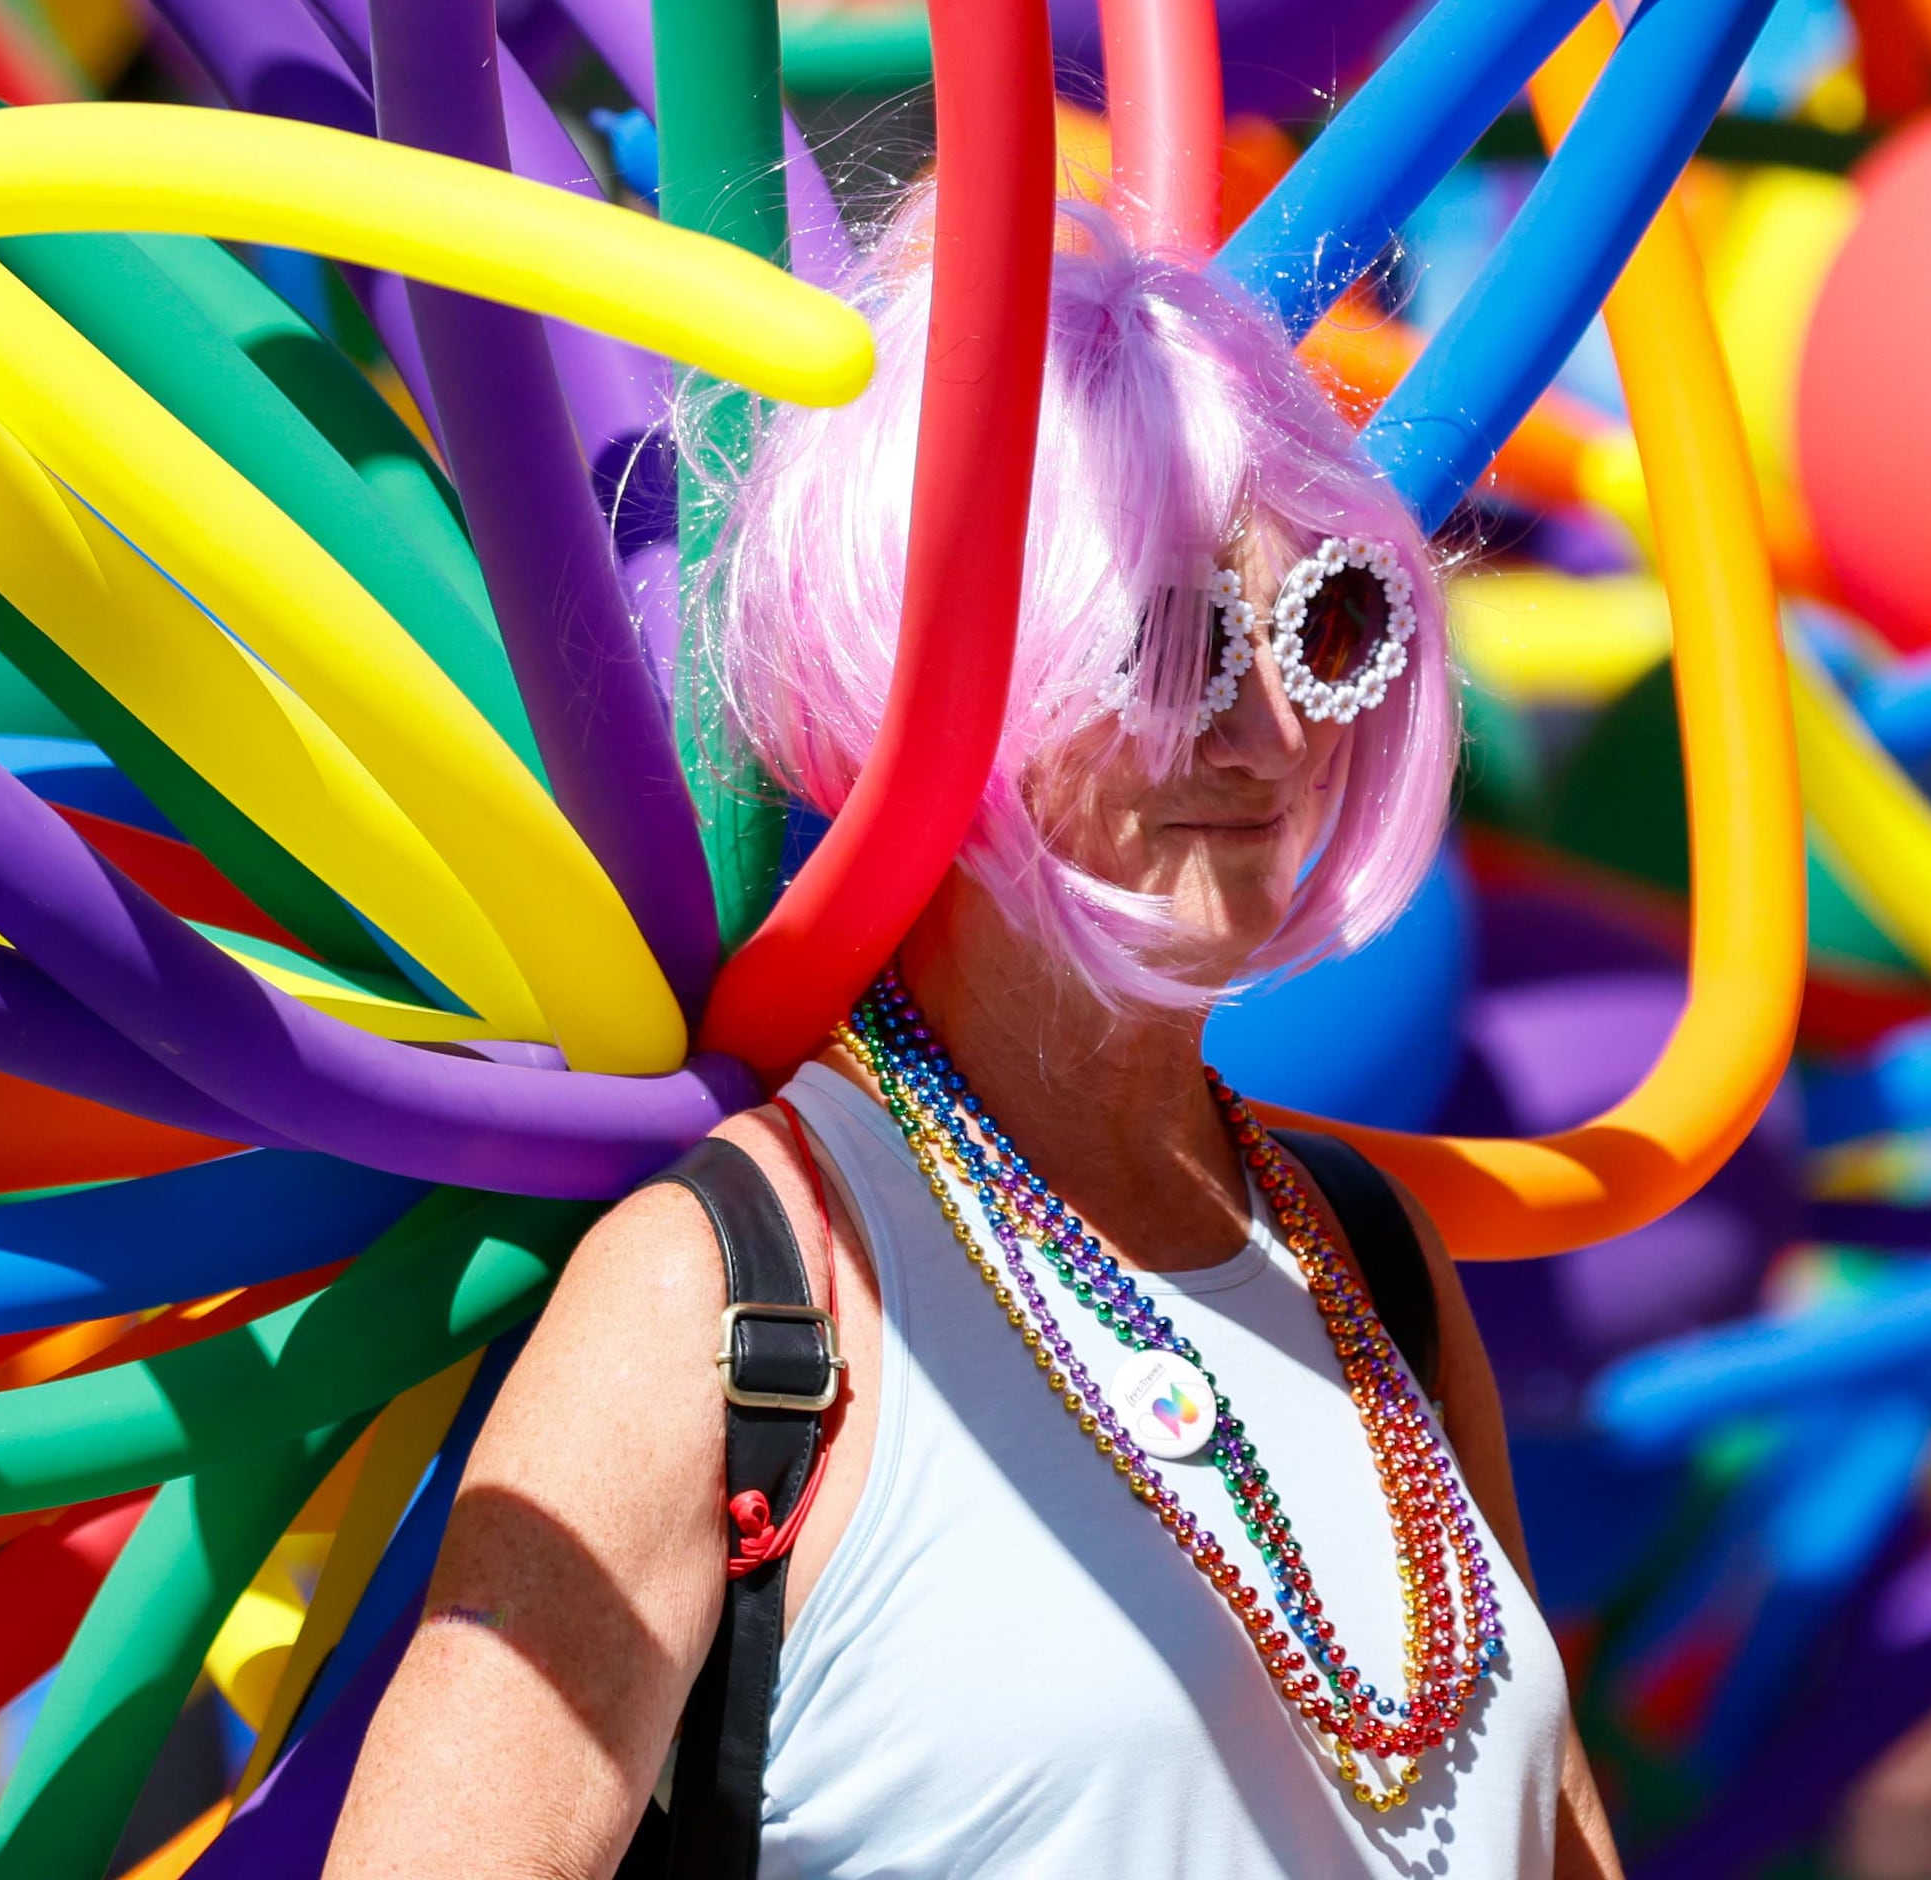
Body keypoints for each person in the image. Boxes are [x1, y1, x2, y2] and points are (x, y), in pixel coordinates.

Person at [332, 209, 1618, 1879]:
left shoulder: (1369, 1264)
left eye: (1323, 626)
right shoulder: (727, 1292)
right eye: (1172, 642)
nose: (1273, 728)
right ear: (936, 677)